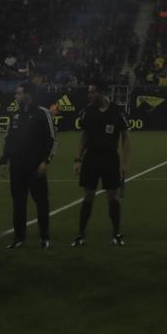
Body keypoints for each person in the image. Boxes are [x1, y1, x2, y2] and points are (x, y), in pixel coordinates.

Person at [71, 80, 131, 247]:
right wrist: (78, 159)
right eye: (89, 92)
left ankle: (116, 234)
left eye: (93, 92)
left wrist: (125, 163)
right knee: (88, 197)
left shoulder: (118, 111)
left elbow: (126, 138)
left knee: (113, 198)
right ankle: (80, 235)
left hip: (111, 159)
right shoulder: (87, 112)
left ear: (102, 92)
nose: (89, 95)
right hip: (91, 159)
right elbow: (83, 137)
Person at [0, 82, 57, 250]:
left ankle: (44, 237)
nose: (16, 96)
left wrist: (45, 161)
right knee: (18, 203)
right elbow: (9, 139)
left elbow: (52, 139)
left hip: (35, 167)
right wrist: (4, 160)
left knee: (41, 202)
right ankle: (19, 238)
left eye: (18, 93)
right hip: (17, 167)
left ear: (28, 95)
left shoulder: (42, 113)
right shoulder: (15, 115)